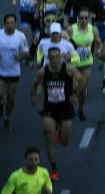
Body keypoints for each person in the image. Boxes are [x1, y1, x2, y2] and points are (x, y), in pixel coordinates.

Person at [29, 44, 85, 179]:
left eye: (57, 57)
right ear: (48, 58)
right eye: (52, 57)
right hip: (50, 109)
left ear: (61, 57)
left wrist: (75, 94)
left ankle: (60, 129)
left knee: (65, 142)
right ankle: (54, 169)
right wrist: (33, 96)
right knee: (50, 137)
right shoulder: (43, 71)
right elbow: (34, 83)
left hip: (66, 108)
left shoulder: (69, 69)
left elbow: (82, 80)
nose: (55, 60)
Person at [0, 12, 31, 130]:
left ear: (15, 24)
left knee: (11, 97)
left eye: (12, 23)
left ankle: (7, 117)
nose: (10, 25)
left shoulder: (20, 36)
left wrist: (21, 57)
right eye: (7, 23)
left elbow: (26, 52)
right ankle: (0, 103)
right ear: (4, 24)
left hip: (13, 71)